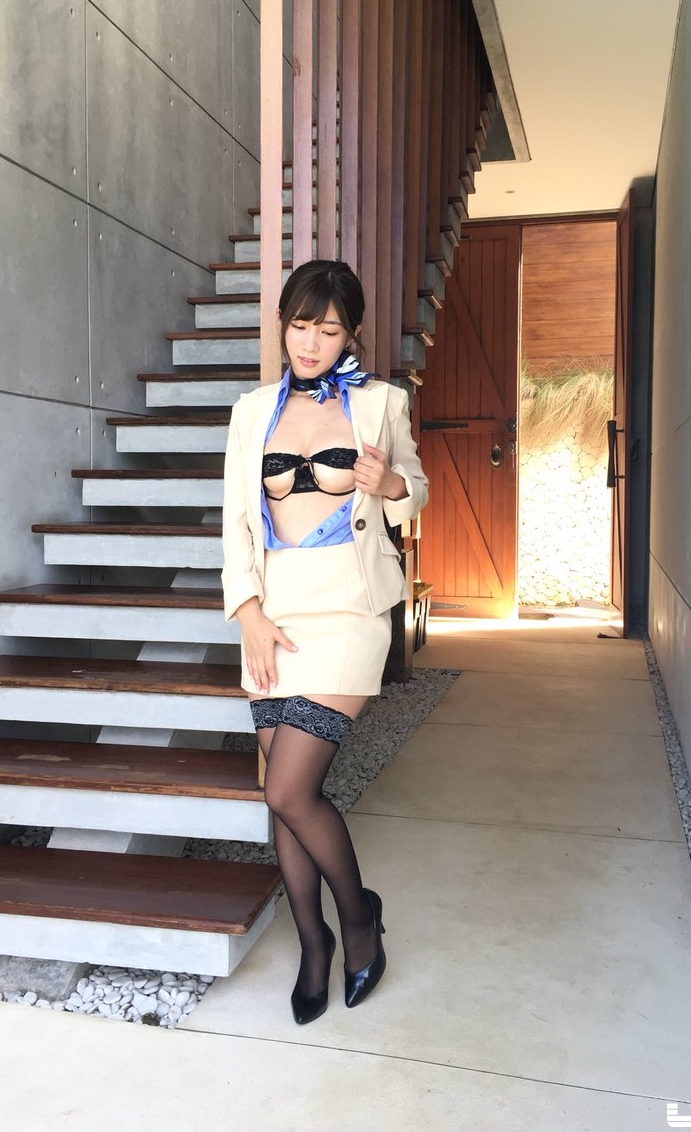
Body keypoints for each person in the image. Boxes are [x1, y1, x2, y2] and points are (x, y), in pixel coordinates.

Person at [221, 259, 428, 1025]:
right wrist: (248, 612)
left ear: (352, 334)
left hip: (349, 613)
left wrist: (391, 486)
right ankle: (314, 946)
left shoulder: (380, 404)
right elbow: (236, 523)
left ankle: (359, 917)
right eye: (301, 325)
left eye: (329, 329)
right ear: (284, 325)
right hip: (274, 619)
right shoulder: (252, 412)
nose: (311, 343)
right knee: (283, 802)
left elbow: (415, 489)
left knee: (287, 789)